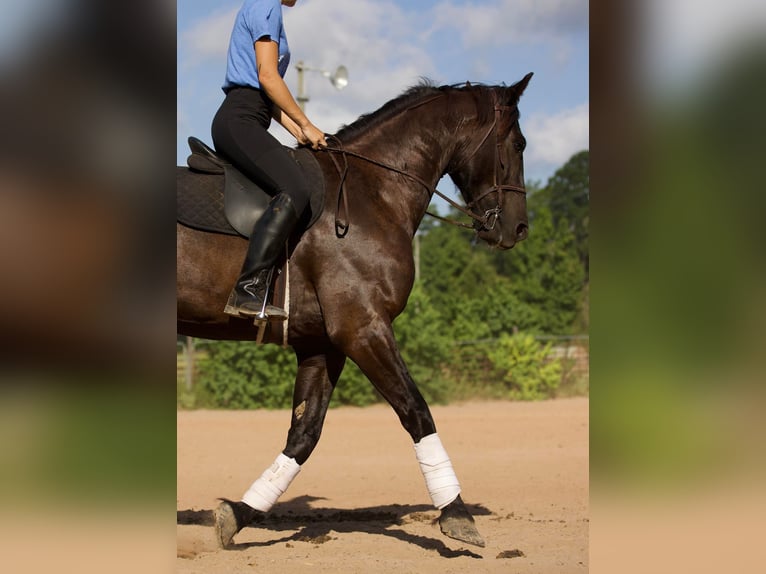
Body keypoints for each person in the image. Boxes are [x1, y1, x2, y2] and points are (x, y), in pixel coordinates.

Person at [212, 0, 326, 320]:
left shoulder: (262, 6)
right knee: (295, 188)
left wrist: (299, 131)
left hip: (251, 115)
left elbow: (268, 98)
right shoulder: (266, 6)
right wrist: (305, 123)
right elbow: (267, 77)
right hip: (240, 119)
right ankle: (247, 289)